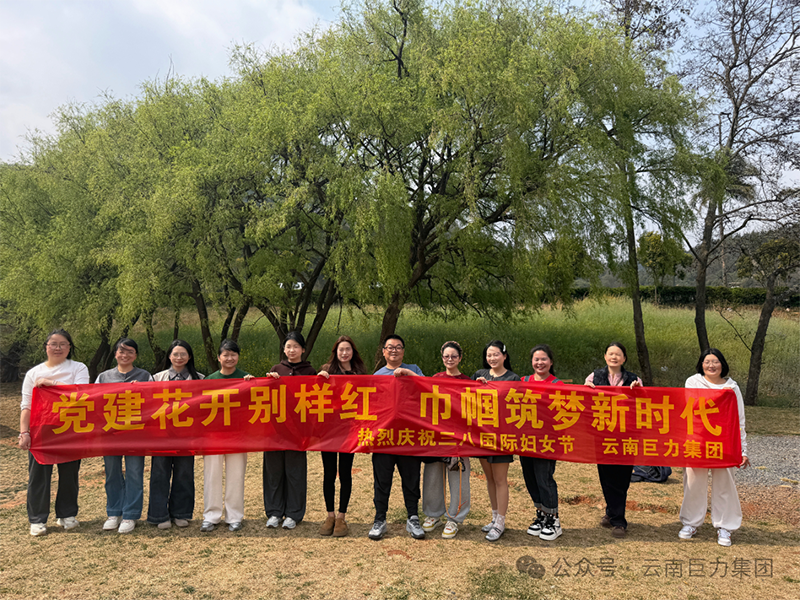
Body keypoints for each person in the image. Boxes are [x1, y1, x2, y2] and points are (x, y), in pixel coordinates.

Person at [18, 329, 90, 536]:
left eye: (63, 344)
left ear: (69, 347)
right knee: (39, 476)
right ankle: (37, 519)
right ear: (46, 347)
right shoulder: (33, 373)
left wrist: (52, 384)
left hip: (70, 429)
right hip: (41, 431)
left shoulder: (78, 368)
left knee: (69, 475)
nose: (58, 348)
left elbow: (81, 394)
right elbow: (26, 406)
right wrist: (24, 432)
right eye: (53, 344)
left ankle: (67, 514)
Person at [679, 348, 749, 547]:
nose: (711, 365)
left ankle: (725, 526)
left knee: (725, 484)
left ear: (722, 364)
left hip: (724, 443)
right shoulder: (693, 382)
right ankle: (691, 523)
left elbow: (740, 420)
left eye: (715, 362)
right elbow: (690, 408)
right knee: (694, 483)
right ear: (701, 365)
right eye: (707, 362)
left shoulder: (732, 387)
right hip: (697, 442)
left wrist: (743, 450)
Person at [368, 334, 426, 541]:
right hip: (384, 438)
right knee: (382, 481)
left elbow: (427, 388)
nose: (394, 350)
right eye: (390, 347)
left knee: (411, 479)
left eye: (398, 347)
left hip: (408, 437)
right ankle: (379, 519)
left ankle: (413, 517)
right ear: (383, 352)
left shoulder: (414, 369)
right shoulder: (377, 375)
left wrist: (408, 373)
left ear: (403, 351)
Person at [584, 341, 642, 539]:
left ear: (624, 359)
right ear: (605, 357)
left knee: (622, 477)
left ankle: (618, 520)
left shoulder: (634, 379)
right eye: (610, 354)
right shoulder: (594, 377)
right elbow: (584, 401)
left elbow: (644, 404)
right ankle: (613, 514)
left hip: (626, 436)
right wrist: (586, 389)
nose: (614, 357)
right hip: (603, 435)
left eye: (618, 354)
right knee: (606, 475)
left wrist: (639, 391)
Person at [96, 338, 153, 534]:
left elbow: (154, 404)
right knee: (112, 473)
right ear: (115, 354)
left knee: (134, 473)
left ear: (135, 356)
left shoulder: (145, 376)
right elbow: (94, 403)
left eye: (130, 352)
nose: (125, 355)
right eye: (121, 351)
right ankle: (114, 512)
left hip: (136, 434)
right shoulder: (103, 377)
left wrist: (142, 391)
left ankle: (130, 514)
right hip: (110, 433)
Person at [148, 339, 204, 529]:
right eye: (175, 354)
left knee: (184, 473)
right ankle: (159, 515)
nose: (179, 357)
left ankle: (181, 513)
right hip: (161, 435)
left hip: (187, 435)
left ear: (189, 356)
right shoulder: (156, 378)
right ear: (169, 356)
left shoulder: (200, 379)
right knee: (159, 473)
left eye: (183, 354)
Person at [200, 339, 254, 533]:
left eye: (233, 354)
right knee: (211, 476)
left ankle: (234, 516)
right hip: (214, 436)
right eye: (226, 355)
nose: (229, 358)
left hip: (238, 436)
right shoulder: (209, 380)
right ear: (218, 357)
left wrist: (254, 384)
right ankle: (211, 516)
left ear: (238, 357)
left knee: (236, 476)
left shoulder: (246, 378)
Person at [263, 331, 316, 530]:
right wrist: (266, 380)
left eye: (296, 346)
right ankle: (274, 512)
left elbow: (316, 399)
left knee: (295, 473)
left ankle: (294, 514)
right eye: (288, 346)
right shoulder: (276, 370)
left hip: (297, 432)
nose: (292, 350)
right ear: (284, 349)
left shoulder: (310, 372)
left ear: (303, 349)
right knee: (273, 472)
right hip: (275, 431)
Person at [317, 335, 368, 537]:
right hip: (328, 431)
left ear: (353, 352)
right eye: (341, 350)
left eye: (348, 349)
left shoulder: (360, 373)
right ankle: (329, 515)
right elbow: (315, 394)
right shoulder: (326, 370)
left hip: (350, 430)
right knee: (329, 473)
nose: (344, 353)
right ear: (335, 352)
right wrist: (319, 379)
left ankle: (341, 517)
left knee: (345, 473)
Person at [422, 341, 471, 539]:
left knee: (458, 477)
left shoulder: (467, 381)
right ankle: (433, 514)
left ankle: (455, 518)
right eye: (446, 356)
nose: (450, 359)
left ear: (460, 358)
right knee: (433, 476)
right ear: (442, 358)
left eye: (453, 356)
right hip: (437, 436)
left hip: (459, 437)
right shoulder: (435, 379)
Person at [472, 340, 520, 542]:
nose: (492, 358)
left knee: (501, 480)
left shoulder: (512, 378)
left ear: (505, 356)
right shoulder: (479, 374)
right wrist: (475, 387)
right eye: (489, 355)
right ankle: (493, 517)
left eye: (496, 354)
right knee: (489, 478)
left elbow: (517, 406)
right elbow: (466, 399)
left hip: (502, 437)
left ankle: (501, 521)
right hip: (482, 435)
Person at [520, 344, 562, 541]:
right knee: (530, 479)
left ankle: (554, 519)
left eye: (543, 359)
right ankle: (541, 514)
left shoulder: (557, 384)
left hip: (547, 442)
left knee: (544, 478)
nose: (540, 363)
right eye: (536, 359)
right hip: (525, 440)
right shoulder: (523, 382)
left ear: (551, 362)